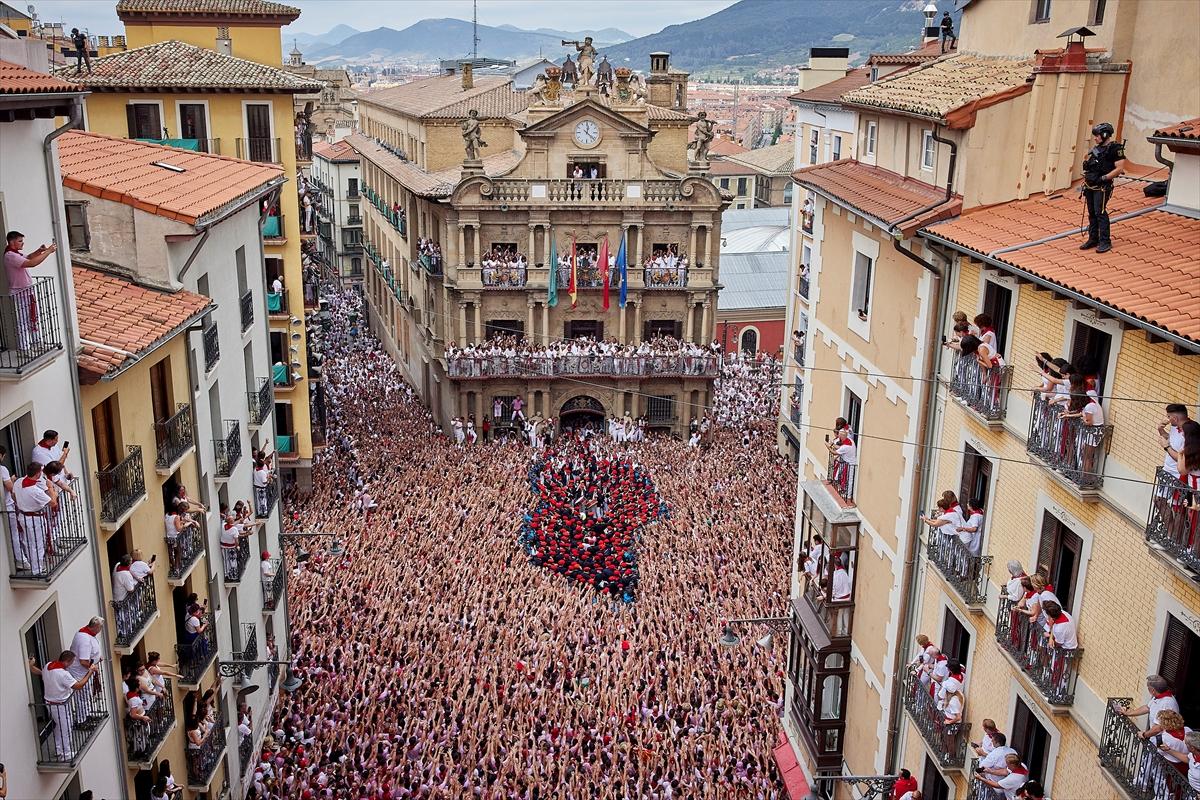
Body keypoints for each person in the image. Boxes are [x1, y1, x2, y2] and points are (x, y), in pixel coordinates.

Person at [28, 651, 100, 760]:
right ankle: (65, 754)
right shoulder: (63, 674)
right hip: (60, 705)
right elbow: (79, 686)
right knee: (66, 728)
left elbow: (39, 672)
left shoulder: (48, 665)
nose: (72, 664)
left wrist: (30, 665)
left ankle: (58, 749)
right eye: (71, 662)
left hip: (49, 703)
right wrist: (90, 672)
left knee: (59, 726)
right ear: (67, 662)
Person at [5, 231, 57, 351]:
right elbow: (31, 263)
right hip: (20, 293)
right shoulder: (10, 256)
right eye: (20, 241)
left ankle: (36, 342)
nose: (23, 243)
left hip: (26, 292)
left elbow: (28, 257)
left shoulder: (14, 254)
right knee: (23, 322)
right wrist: (48, 252)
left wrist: (39, 251)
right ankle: (25, 348)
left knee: (33, 318)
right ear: (12, 242)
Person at [1079, 122, 1126, 253]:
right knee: (1092, 213)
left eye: (1097, 135)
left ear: (1105, 135)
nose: (1095, 138)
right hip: (1090, 185)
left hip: (1102, 187)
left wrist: (1104, 178)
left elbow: (1120, 168)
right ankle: (1093, 238)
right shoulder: (1096, 149)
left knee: (1100, 212)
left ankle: (1105, 241)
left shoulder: (1115, 149)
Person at [1115, 675, 1179, 739]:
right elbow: (1147, 708)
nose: (1148, 690)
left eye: (1148, 688)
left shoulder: (1166, 703)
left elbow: (1159, 728)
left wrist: (1144, 734)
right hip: (1156, 738)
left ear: (1153, 690)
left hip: (1164, 742)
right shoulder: (1158, 696)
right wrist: (1128, 713)